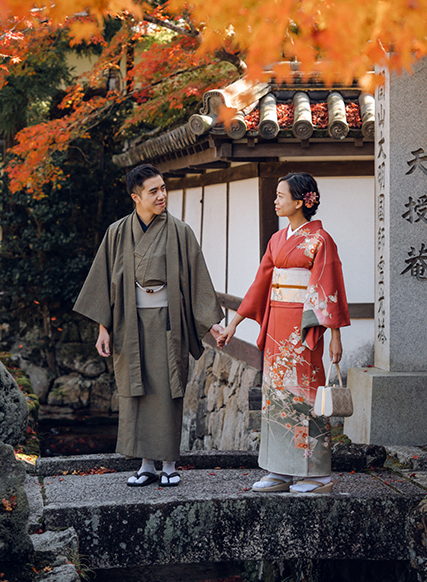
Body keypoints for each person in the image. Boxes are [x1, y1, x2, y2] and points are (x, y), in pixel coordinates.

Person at [75, 163, 224, 487]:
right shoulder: (117, 232)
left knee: (169, 390)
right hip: (130, 323)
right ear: (135, 197)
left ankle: (169, 464)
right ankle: (145, 465)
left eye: (163, 189)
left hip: (169, 325)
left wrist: (211, 323)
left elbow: (197, 279)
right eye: (153, 191)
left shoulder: (180, 231)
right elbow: (105, 283)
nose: (162, 196)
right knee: (135, 391)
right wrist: (104, 327)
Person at [217, 172, 349, 494]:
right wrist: (234, 323)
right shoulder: (277, 240)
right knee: (276, 399)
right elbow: (260, 284)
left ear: (302, 200)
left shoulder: (320, 240)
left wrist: (334, 336)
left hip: (303, 330)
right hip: (277, 325)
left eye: (280, 196)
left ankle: (317, 477)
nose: (276, 201)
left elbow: (327, 290)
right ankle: (280, 470)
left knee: (304, 396)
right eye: (275, 195)